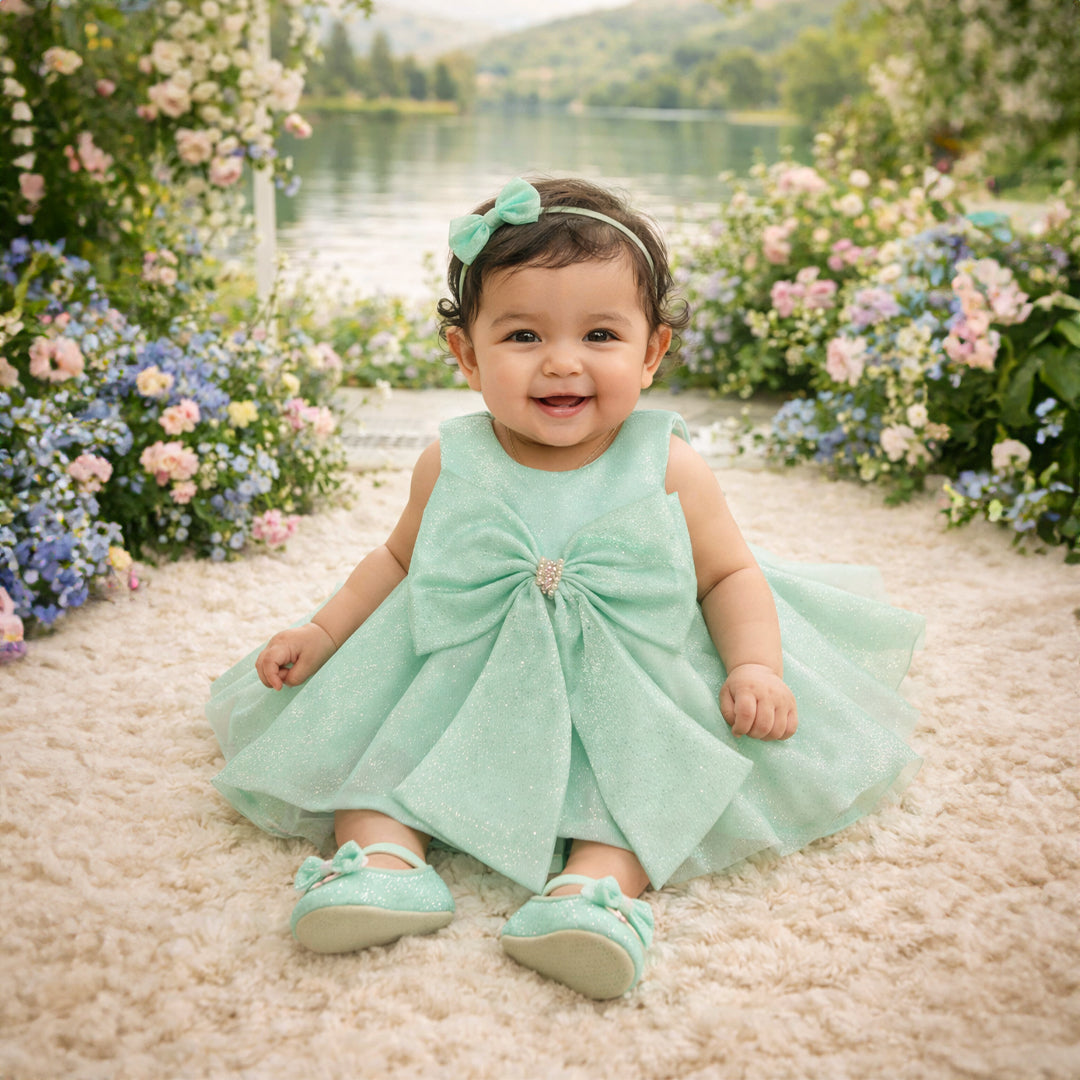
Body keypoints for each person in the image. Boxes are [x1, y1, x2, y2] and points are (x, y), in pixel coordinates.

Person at [206, 176, 924, 1000]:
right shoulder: (451, 458)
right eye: (521, 334)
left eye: (600, 334)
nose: (561, 361)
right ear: (467, 355)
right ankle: (382, 860)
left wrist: (756, 666)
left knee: (646, 772)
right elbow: (398, 561)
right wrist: (324, 634)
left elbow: (727, 572)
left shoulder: (668, 464)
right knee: (378, 751)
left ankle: (595, 893)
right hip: (461, 666)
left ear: (650, 353)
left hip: (622, 671)